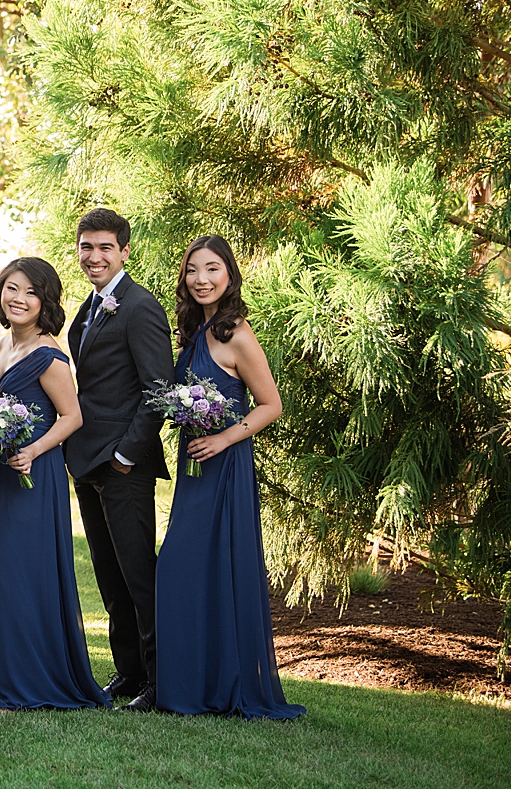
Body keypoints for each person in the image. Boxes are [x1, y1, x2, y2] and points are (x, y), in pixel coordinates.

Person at [154, 236, 305, 719]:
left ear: (230, 276)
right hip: (194, 467)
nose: (201, 279)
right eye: (193, 270)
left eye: (212, 269)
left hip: (223, 466)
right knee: (191, 572)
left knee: (195, 567)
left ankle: (218, 688)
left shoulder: (236, 332)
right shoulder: (195, 332)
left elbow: (272, 405)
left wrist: (223, 439)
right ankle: (194, 687)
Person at [0, 257, 109, 711]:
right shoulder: (1, 345)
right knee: (4, 575)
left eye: (30, 293)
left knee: (28, 574)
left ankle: (36, 684)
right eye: (11, 289)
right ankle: (11, 683)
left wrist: (33, 451)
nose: (19, 299)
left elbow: (73, 416)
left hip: (35, 472)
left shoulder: (49, 353)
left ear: (45, 301)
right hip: (4, 473)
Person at [64, 208, 174, 711]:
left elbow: (158, 390)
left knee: (138, 575)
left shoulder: (140, 307)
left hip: (124, 466)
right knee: (109, 576)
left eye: (105, 247)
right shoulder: (86, 310)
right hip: (87, 463)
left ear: (125, 251)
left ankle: (160, 679)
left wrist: (127, 456)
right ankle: (128, 671)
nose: (95, 256)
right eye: (87, 247)